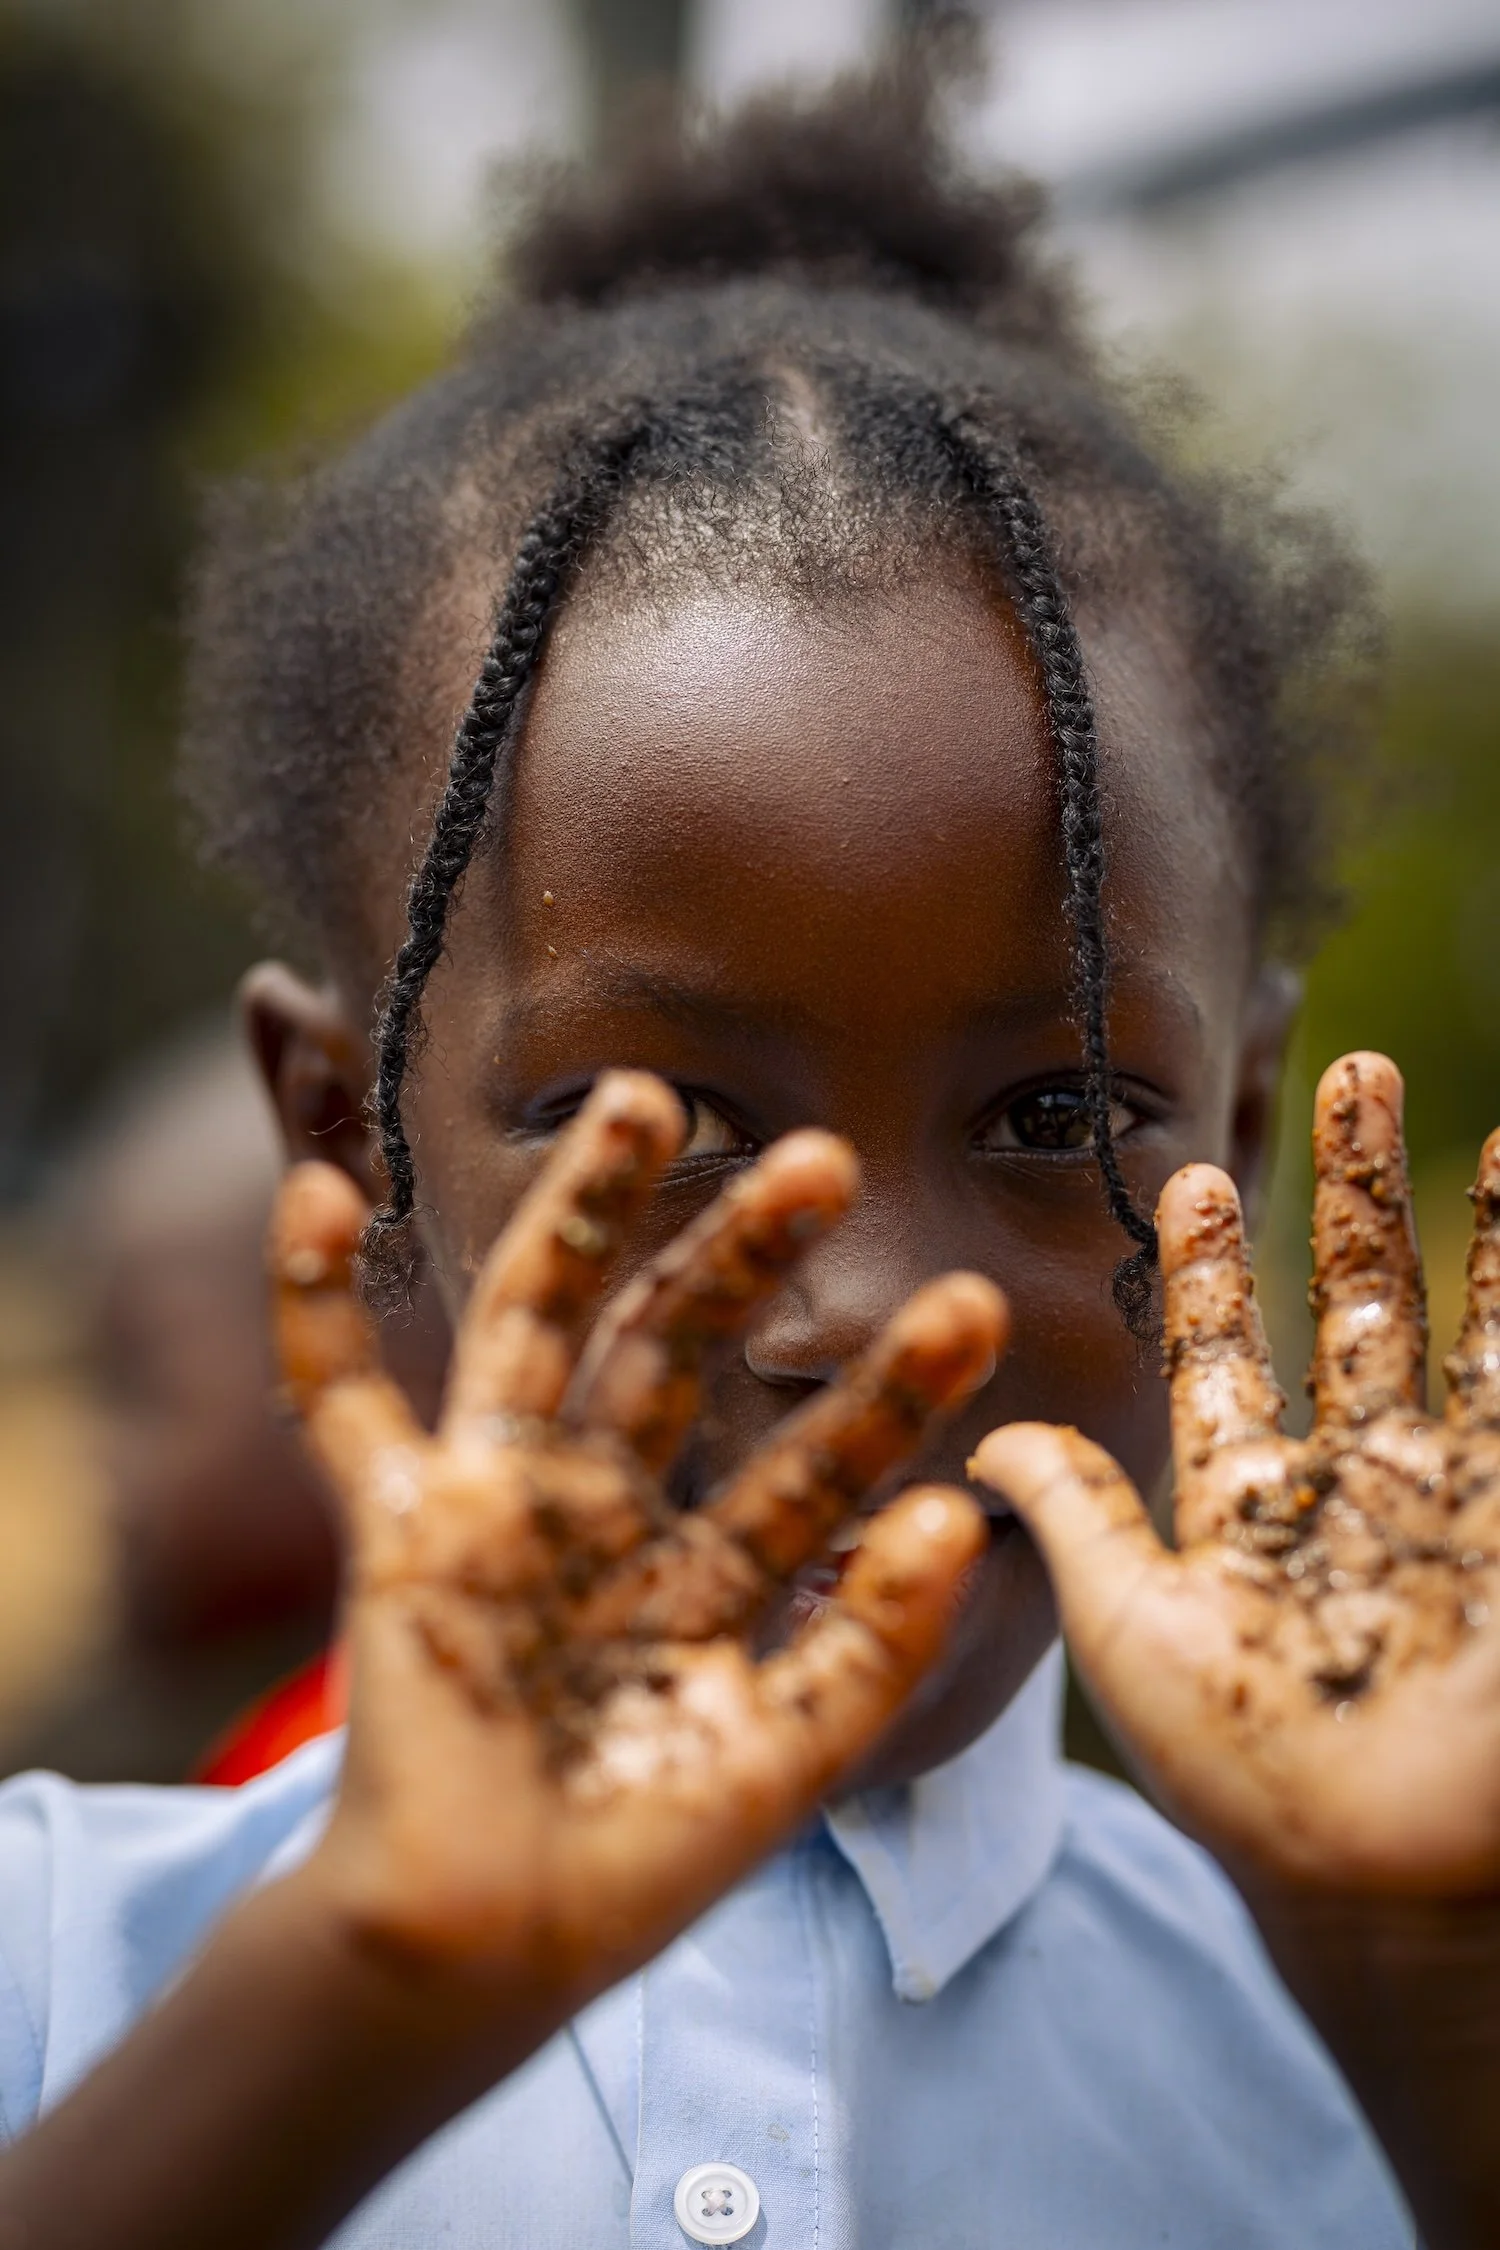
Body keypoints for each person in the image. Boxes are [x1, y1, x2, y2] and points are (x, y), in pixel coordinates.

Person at [1, 69, 1496, 2250]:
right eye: (661, 1136)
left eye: (1059, 1114)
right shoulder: (68, 1981)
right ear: (347, 1135)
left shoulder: (1385, 2046)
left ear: (1242, 1149)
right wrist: (350, 2006)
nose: (880, 1305)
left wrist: (1450, 2038)